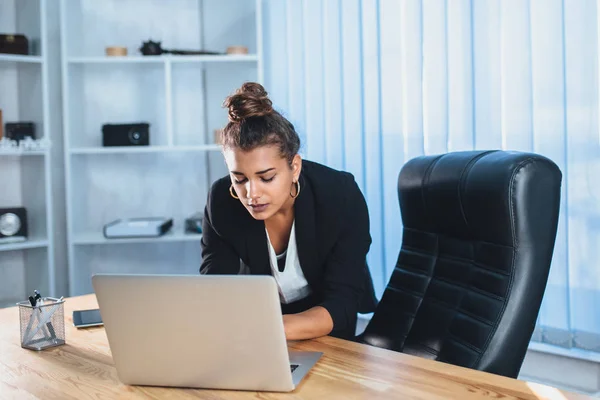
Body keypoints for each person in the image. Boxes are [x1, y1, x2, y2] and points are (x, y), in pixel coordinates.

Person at [199, 82, 377, 341]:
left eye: (267, 178)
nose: (252, 194)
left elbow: (342, 304)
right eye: (239, 179)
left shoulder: (340, 195)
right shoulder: (222, 201)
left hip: (325, 323)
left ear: (294, 167)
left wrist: (265, 328)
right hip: (262, 324)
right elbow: (216, 289)